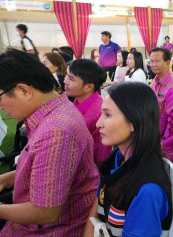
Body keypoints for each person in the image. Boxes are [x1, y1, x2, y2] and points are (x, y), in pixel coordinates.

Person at [0, 50, 99, 236]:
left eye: (0, 98)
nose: (1, 107)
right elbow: (40, 165)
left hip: (53, 228)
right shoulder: (55, 110)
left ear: (24, 91)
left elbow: (44, 212)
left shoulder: (56, 131)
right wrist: (6, 179)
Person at [84, 82, 172, 237]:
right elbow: (95, 213)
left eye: (108, 115)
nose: (98, 124)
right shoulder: (117, 158)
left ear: (133, 122)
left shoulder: (147, 190)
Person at [64, 59, 111, 165]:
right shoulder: (76, 102)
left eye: (71, 78)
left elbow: (101, 158)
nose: (65, 81)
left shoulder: (99, 113)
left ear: (88, 87)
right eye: (66, 75)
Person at [150, 48, 173, 114]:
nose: (153, 65)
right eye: (151, 61)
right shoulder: (154, 81)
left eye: (157, 61)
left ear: (168, 62)